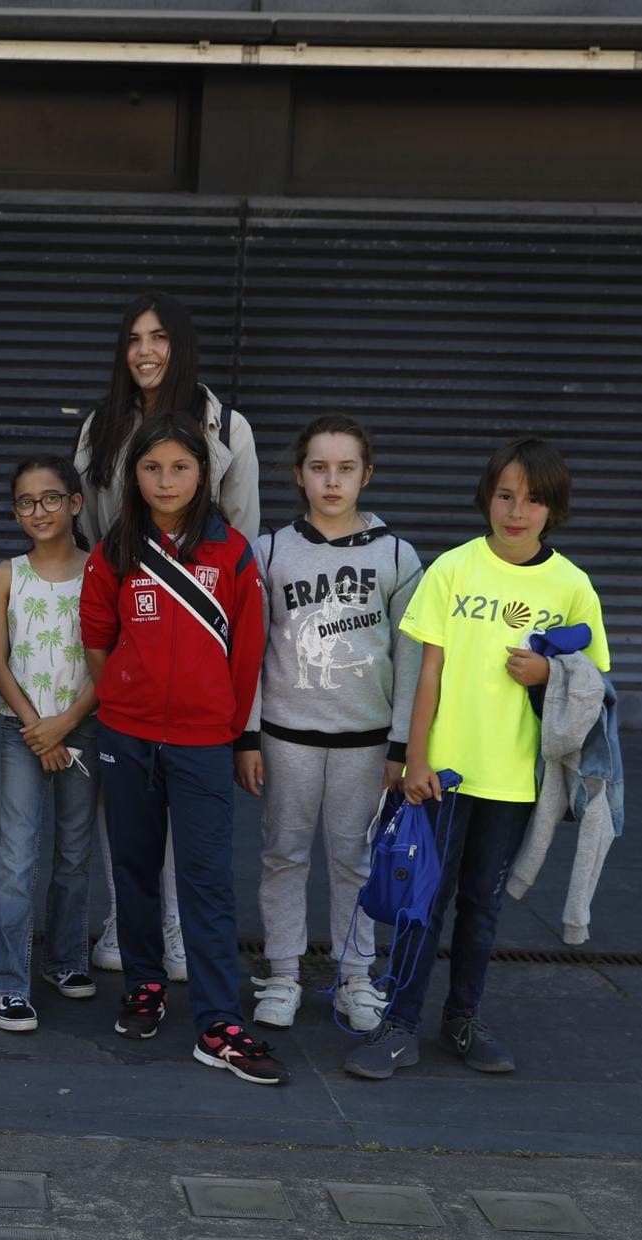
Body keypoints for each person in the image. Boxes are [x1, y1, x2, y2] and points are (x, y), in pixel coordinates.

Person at [345, 436, 609, 1080]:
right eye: (505, 495)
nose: (517, 511)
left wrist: (548, 670)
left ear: (555, 509)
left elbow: (594, 684)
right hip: (443, 775)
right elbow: (425, 671)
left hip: (516, 780)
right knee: (420, 903)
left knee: (481, 907)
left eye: (534, 500)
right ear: (487, 497)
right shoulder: (454, 569)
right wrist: (416, 759)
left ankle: (462, 1018)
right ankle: (399, 1024)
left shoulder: (572, 585)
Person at [81, 411, 284, 1085]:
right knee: (134, 872)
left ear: (205, 474)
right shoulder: (115, 549)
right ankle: (144, 985)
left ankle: (220, 1021)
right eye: (151, 467)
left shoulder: (232, 552)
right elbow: (97, 635)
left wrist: (238, 735)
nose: (165, 480)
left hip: (204, 743)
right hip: (127, 735)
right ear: (132, 475)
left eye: (180, 467)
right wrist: (119, 697)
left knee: (206, 880)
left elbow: (249, 654)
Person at [72, 290, 260, 979]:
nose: (145, 351)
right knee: (125, 801)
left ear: (179, 346)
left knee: (191, 804)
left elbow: (240, 539)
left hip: (201, 632)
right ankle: (126, 923)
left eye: (158, 337)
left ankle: (177, 931)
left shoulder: (227, 425)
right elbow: (93, 529)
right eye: (132, 339)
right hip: (127, 617)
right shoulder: (100, 426)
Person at [236, 415, 422, 1033]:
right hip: (287, 736)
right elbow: (253, 651)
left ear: (366, 475)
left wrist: (402, 744)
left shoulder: (397, 555)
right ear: (299, 475)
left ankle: (356, 977)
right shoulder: (269, 550)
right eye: (319, 467)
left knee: (358, 860)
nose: (332, 480)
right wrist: (249, 734)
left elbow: (411, 658)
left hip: (365, 744)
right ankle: (283, 972)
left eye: (346, 468)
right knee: (283, 856)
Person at [0, 456, 100, 1033]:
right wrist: (36, 727)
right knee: (16, 857)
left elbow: (108, 662)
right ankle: (6, 982)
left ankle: (65, 960)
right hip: (20, 728)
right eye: (26, 502)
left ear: (75, 503)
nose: (39, 511)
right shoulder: (7, 574)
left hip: (82, 726)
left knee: (75, 853)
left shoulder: (101, 571)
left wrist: (66, 723)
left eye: (51, 498)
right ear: (15, 513)